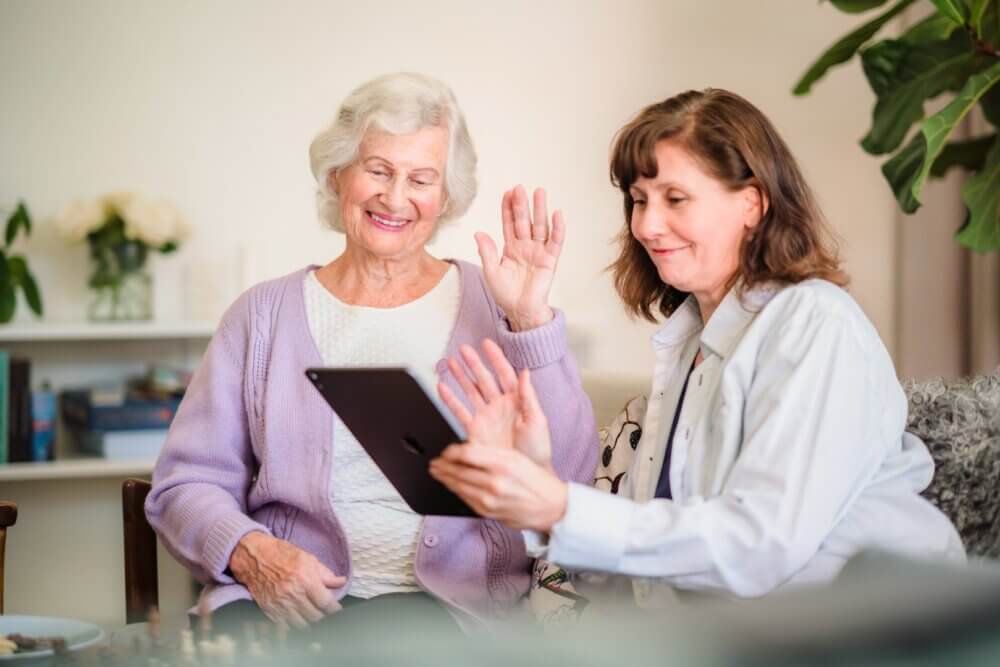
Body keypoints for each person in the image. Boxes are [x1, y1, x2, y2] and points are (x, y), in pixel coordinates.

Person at [429, 88, 965, 604]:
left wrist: (561, 509)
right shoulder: (690, 346)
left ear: (753, 203)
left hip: (876, 627)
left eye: (675, 199)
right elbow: (645, 569)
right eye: (639, 200)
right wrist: (537, 489)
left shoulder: (813, 322)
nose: (647, 224)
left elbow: (760, 549)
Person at [145, 72, 597, 633]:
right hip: (278, 606)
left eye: (421, 179)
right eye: (378, 170)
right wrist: (253, 552)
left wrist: (530, 321)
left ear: (447, 197)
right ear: (338, 176)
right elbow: (184, 485)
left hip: (447, 617)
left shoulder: (497, 304)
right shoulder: (261, 317)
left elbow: (573, 481)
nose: (395, 197)